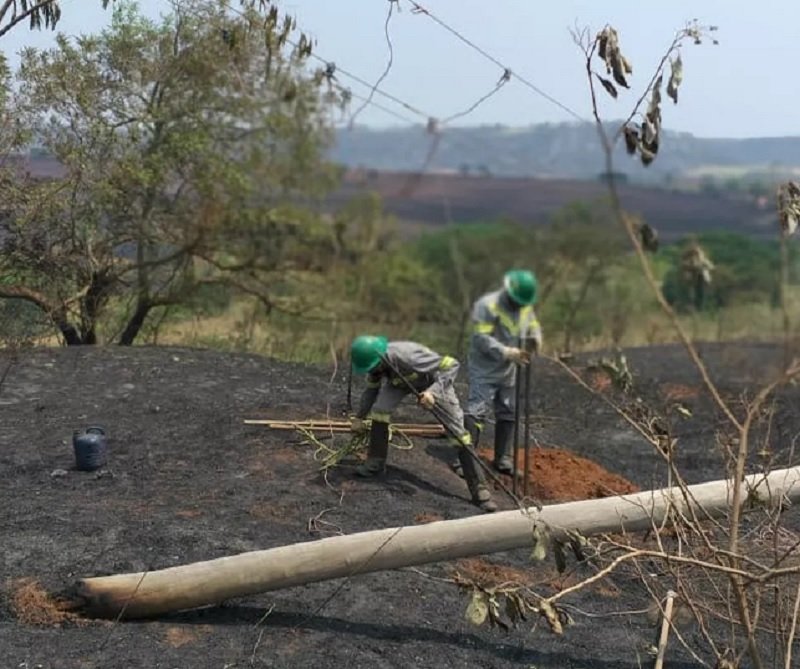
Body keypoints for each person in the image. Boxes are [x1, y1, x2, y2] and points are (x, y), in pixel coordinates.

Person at [349, 335, 497, 513]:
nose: (371, 370)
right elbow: (371, 391)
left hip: (434, 383)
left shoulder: (408, 356)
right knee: (380, 411)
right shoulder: (375, 365)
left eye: (372, 366)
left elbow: (451, 364)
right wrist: (359, 417)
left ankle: (480, 489)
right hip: (400, 383)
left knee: (458, 433)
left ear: (380, 357)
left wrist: (432, 394)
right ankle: (375, 462)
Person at [455, 269, 542, 477]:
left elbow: (532, 325)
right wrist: (506, 351)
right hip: (485, 367)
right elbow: (480, 339)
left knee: (508, 411)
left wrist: (535, 339)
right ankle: (466, 460)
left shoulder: (524, 306)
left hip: (509, 368)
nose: (521, 305)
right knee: (477, 411)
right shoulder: (487, 305)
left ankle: (502, 458)